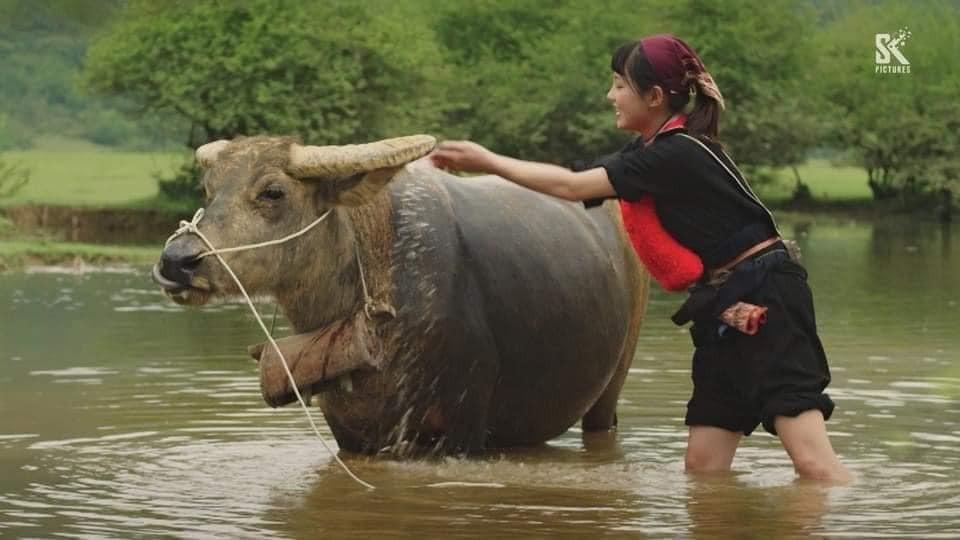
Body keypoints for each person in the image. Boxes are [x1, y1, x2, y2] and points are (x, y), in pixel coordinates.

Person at [429, 34, 852, 484]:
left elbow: (572, 189)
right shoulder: (650, 151)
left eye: (618, 85)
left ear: (653, 97)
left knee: (812, 463)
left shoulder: (676, 154)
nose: (610, 96)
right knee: (703, 469)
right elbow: (576, 180)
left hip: (768, 298)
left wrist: (486, 160)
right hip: (721, 305)